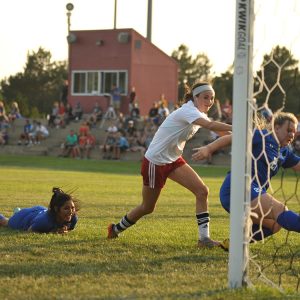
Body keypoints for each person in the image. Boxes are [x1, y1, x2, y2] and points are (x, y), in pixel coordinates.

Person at [107, 82, 232, 248]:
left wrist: (251, 136)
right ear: (195, 98)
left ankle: (204, 240)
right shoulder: (188, 110)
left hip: (173, 160)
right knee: (147, 207)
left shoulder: (196, 112)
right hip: (155, 162)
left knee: (202, 191)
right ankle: (115, 229)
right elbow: (210, 126)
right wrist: (240, 127)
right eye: (205, 97)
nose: (209, 101)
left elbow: (223, 133)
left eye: (212, 98)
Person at [192, 112, 300, 243]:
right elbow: (232, 138)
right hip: (237, 187)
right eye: (289, 130)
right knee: (280, 210)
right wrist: (209, 148)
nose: (292, 135)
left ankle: (234, 244)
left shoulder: (284, 151)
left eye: (294, 132)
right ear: (276, 127)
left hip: (252, 194)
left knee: (275, 225)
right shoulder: (262, 136)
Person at [0, 187, 79, 234]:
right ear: (56, 209)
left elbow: (68, 230)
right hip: (25, 217)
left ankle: (17, 212)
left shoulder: (73, 218)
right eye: (66, 208)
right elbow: (30, 231)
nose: (71, 211)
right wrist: (52, 232)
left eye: (72, 208)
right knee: (5, 222)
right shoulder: (44, 221)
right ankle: (17, 214)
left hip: (39, 211)